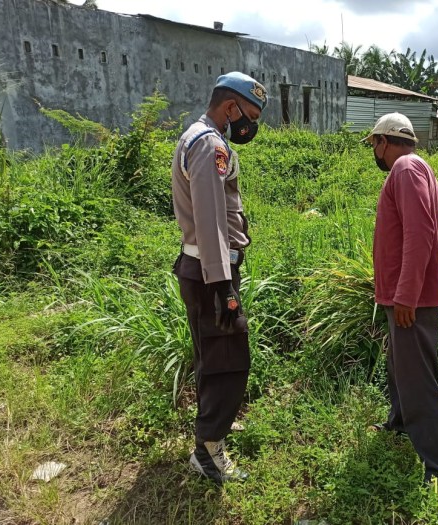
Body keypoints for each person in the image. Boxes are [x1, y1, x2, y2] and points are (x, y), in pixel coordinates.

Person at [171, 71, 267, 484]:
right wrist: (224, 287)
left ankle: (215, 426)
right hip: (212, 273)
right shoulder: (210, 144)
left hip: (207, 269)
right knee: (229, 359)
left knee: (213, 353)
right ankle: (209, 451)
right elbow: (210, 221)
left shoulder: (199, 135)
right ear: (230, 107)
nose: (249, 126)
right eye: (248, 115)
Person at [365, 112, 438, 483]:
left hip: (412, 300)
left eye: (374, 144)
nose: (373, 151)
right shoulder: (413, 168)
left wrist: (405, 295)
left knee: (418, 377)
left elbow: (420, 234)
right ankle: (400, 421)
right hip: (405, 296)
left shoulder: (404, 168)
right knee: (401, 365)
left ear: (384, 141)